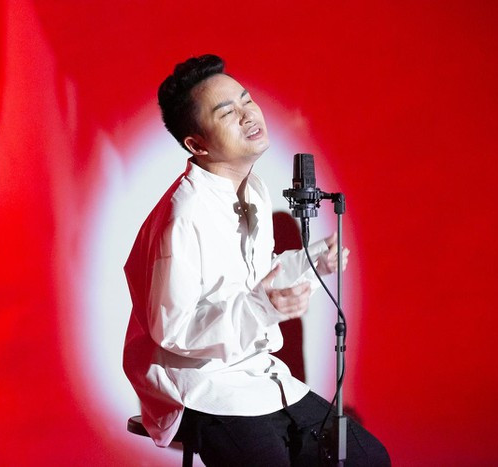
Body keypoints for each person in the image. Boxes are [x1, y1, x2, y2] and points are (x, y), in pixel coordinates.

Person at [123, 54, 389, 466]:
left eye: (246, 100)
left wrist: (314, 260)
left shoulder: (255, 190)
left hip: (258, 371)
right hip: (202, 385)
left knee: (367, 459)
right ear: (197, 144)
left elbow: (257, 278)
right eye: (227, 112)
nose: (248, 114)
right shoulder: (183, 216)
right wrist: (263, 308)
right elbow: (172, 329)